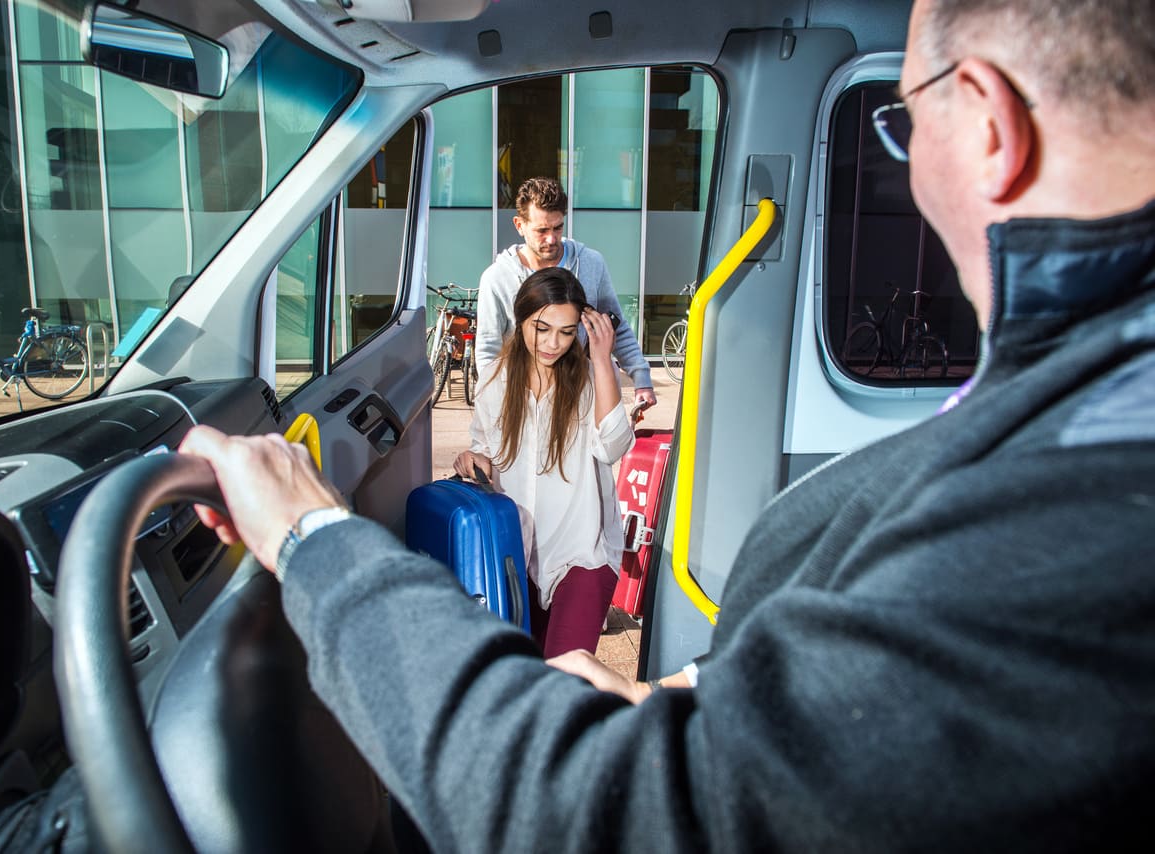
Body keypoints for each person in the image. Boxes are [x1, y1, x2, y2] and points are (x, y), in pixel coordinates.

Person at [179, 0, 1155, 848]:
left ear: (985, 124)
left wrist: (315, 536)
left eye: (902, 120)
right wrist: (684, 696)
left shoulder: (1091, 499)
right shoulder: (1080, 402)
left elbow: (601, 814)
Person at [452, 267, 633, 659]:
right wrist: (473, 460)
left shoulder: (589, 379)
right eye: (542, 328)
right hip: (517, 558)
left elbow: (615, 446)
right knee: (526, 677)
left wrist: (602, 360)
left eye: (567, 332)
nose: (554, 343)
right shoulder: (495, 382)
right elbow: (484, 450)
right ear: (521, 320)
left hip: (582, 553)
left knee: (565, 675)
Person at [475, 176, 659, 410]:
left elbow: (615, 326)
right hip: (525, 400)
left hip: (583, 396)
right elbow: (488, 350)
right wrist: (491, 408)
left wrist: (642, 380)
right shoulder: (497, 278)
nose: (551, 239)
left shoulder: (591, 263)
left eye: (557, 227)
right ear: (519, 225)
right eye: (541, 230)